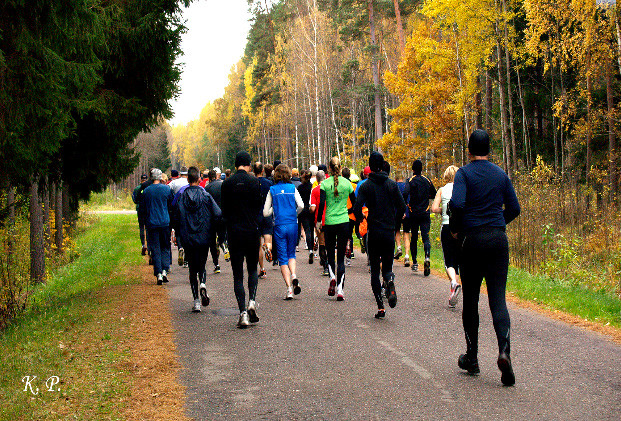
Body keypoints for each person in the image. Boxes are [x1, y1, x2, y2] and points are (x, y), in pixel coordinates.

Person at [449, 129, 520, 386]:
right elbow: (515, 208)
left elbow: (456, 204)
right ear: (489, 149)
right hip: (498, 239)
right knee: (498, 299)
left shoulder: (464, 174)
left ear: (469, 149)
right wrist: (499, 224)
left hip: (472, 240)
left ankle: (472, 358)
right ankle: (504, 352)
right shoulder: (501, 175)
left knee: (471, 300)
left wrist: (456, 229)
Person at [354, 152, 406, 319]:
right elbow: (402, 206)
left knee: (375, 270)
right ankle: (390, 281)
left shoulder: (366, 186)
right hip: (389, 232)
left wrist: (363, 218)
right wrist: (395, 222)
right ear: (383, 165)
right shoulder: (392, 185)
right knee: (388, 268)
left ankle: (380, 307)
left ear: (370, 166)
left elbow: (356, 208)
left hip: (374, 232)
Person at [221, 151, 263, 328]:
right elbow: (259, 207)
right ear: (248, 164)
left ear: (236, 163)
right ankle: (252, 301)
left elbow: (224, 211)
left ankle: (242, 313)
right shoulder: (255, 182)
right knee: (252, 269)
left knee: (238, 274)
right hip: (252, 231)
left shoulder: (227, 184)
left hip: (234, 232)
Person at [177, 167, 222, 312]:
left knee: (192, 269)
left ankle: (196, 300)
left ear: (188, 179)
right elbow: (218, 213)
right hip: (204, 236)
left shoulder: (182, 197)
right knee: (202, 265)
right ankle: (203, 283)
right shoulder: (206, 196)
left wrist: (179, 237)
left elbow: (178, 217)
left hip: (188, 237)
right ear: (199, 179)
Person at [317, 157, 356, 300]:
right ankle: (340, 289)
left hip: (330, 222)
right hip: (344, 222)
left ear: (329, 168)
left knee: (329, 253)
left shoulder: (324, 184)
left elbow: (321, 204)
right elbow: (354, 202)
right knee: (341, 257)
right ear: (340, 168)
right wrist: (354, 215)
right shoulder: (347, 184)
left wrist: (319, 221)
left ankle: (332, 277)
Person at [263, 164, 304, 299]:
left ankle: (289, 290)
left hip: (279, 225)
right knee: (291, 254)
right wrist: (295, 214)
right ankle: (294, 275)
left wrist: (274, 209)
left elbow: (265, 213)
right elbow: (301, 205)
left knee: (282, 259)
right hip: (293, 224)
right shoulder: (292, 188)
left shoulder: (272, 190)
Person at [431, 165, 462, 308]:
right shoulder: (462, 189)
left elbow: (433, 209)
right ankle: (453, 293)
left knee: (449, 261)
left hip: (447, 226)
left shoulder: (442, 190)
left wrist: (444, 208)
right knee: (458, 261)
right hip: (461, 227)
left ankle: (454, 284)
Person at [405, 159, 436, 276]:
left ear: (412, 169)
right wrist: (426, 196)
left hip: (413, 212)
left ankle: (415, 263)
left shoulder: (410, 180)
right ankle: (427, 257)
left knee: (414, 237)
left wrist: (407, 204)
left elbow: (405, 193)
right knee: (425, 236)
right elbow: (434, 193)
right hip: (425, 211)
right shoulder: (427, 180)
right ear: (421, 169)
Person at [142, 168, 173, 285]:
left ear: (151, 177)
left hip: (152, 223)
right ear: (160, 177)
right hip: (164, 222)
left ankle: (158, 273)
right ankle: (165, 270)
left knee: (155, 248)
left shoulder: (147, 191)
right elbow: (171, 204)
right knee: (165, 246)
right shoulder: (166, 189)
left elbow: (143, 208)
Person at [205, 169, 229, 273]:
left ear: (209, 178)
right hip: (223, 215)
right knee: (222, 235)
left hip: (211, 218)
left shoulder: (207, 188)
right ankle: (224, 245)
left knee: (212, 241)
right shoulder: (223, 185)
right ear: (217, 176)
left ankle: (217, 264)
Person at [254, 162, 274, 278]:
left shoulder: (251, 183)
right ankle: (267, 246)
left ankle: (262, 269)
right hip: (267, 213)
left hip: (256, 215)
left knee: (257, 245)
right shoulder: (269, 183)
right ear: (262, 171)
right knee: (268, 239)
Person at [310, 170, 328, 275]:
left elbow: (313, 208)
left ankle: (325, 266)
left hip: (320, 220)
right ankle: (330, 264)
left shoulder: (315, 190)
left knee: (322, 243)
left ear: (317, 179)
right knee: (330, 243)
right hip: (331, 219)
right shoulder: (330, 188)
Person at [297, 170, 314, 264]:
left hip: (303, 210)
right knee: (311, 230)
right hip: (311, 209)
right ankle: (313, 249)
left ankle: (310, 250)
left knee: (306, 230)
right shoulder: (312, 187)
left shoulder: (300, 187)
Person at [394, 174, 411, 267]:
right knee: (406, 233)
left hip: (397, 213)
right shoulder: (406, 186)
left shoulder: (394, 186)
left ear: (396, 179)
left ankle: (399, 247)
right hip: (407, 213)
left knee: (396, 231)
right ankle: (407, 256)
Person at [132, 174, 149, 255]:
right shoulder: (149, 188)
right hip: (148, 210)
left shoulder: (137, 188)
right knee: (148, 228)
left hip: (140, 210)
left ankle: (143, 245)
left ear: (141, 179)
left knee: (141, 227)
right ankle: (149, 245)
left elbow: (134, 199)